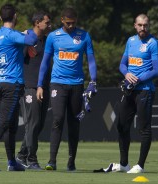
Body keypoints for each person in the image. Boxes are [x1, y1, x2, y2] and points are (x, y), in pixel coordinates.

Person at [0, 4, 37, 171]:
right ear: (15, 17)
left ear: (0, 18)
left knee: (11, 124)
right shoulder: (13, 35)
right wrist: (28, 32)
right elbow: (32, 40)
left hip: (1, 82)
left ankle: (12, 162)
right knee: (4, 121)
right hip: (13, 84)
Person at [36, 7, 97, 171]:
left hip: (77, 84)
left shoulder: (84, 36)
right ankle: (52, 161)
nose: (71, 26)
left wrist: (93, 80)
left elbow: (91, 60)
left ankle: (71, 161)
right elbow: (45, 62)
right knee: (57, 119)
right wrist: (40, 84)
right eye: (68, 23)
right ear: (62, 20)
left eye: (73, 23)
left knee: (74, 122)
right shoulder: (53, 37)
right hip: (57, 83)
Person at [111, 14, 158, 174]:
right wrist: (126, 74)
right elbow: (122, 64)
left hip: (145, 90)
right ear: (135, 25)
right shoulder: (131, 41)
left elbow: (157, 70)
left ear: (149, 26)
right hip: (129, 90)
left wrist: (138, 79)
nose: (142, 28)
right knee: (121, 125)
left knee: (143, 128)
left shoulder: (154, 44)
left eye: (145, 25)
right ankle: (124, 164)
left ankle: (140, 165)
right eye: (140, 25)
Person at [16, 11, 51, 170]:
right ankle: (31, 160)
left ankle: (21, 155)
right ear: (37, 22)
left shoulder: (47, 40)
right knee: (33, 123)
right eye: (47, 22)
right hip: (29, 86)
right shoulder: (26, 39)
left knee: (38, 124)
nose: (49, 25)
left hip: (44, 86)